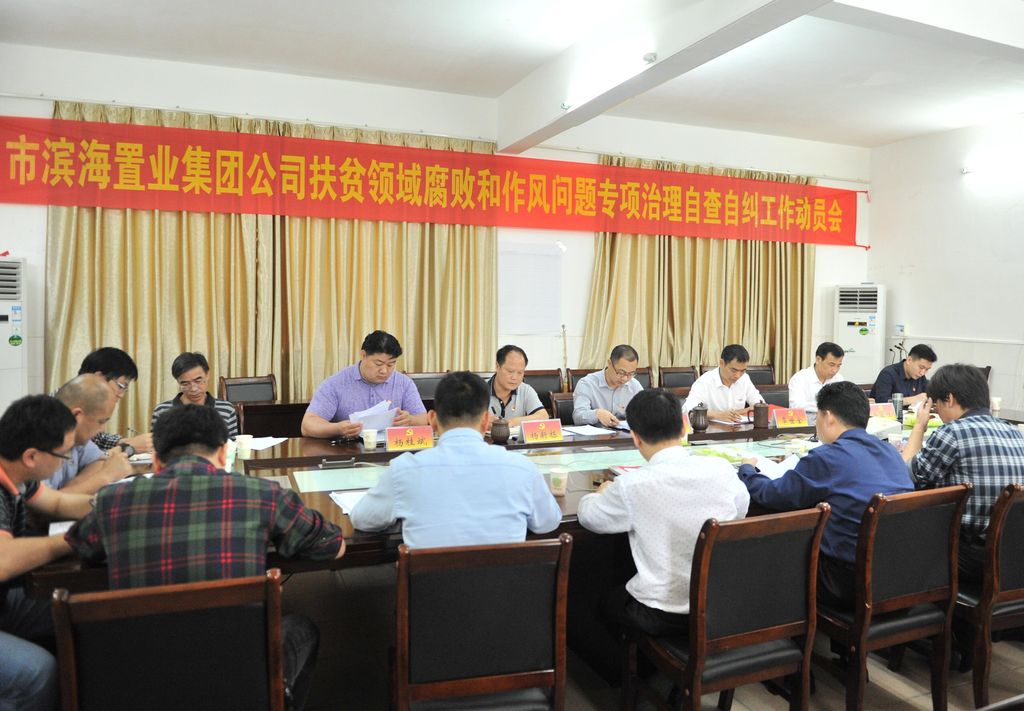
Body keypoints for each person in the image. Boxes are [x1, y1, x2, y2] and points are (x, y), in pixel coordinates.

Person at [66, 405, 345, 711]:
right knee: (302, 628)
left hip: (140, 679)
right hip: (238, 677)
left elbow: (80, 546)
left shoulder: (112, 501)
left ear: (156, 461)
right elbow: (332, 545)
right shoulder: (264, 495)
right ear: (224, 454)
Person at [576, 388, 749, 636]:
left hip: (662, 613)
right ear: (683, 428)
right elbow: (740, 511)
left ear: (635, 438)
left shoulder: (632, 485)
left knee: (599, 601)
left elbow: (589, 517)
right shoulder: (722, 469)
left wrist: (598, 494)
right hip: (719, 603)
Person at [737, 381, 912, 608]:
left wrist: (748, 471)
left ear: (828, 417)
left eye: (817, 416)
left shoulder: (827, 457)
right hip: (901, 578)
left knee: (775, 552)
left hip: (847, 584)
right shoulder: (890, 451)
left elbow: (774, 495)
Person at [349, 371, 562, 547]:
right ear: (486, 420)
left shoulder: (404, 470)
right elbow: (548, 522)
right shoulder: (522, 468)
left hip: (431, 587)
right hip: (507, 586)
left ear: (432, 420)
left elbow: (362, 519)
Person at [0, 395, 94, 711]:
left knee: (81, 612)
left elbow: (57, 503)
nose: (66, 461)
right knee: (38, 673)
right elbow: (3, 560)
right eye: (63, 454)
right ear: (31, 456)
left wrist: (112, 503)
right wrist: (72, 539)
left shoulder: (16, 473)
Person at [902, 363, 1024, 583]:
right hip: (1013, 556)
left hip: (973, 557)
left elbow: (907, 475)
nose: (937, 412)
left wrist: (919, 426)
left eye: (936, 405)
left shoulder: (952, 432)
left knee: (899, 539)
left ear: (949, 399)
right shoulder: (1014, 433)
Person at [302, 330, 428, 438]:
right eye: (378, 364)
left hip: (392, 450)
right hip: (349, 451)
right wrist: (338, 429)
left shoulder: (404, 383)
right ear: (363, 355)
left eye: (391, 364)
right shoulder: (336, 383)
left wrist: (410, 420)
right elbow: (308, 425)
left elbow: (423, 419)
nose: (384, 371)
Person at [48, 374, 133, 494]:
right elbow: (46, 503)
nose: (102, 430)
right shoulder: (37, 443)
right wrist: (106, 476)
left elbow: (99, 460)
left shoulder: (76, 438)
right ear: (77, 415)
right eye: (101, 422)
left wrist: (74, 486)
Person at [77, 346, 153, 454]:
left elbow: (99, 439)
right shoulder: (61, 409)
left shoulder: (89, 405)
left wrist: (131, 442)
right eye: (121, 386)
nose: (121, 395)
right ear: (99, 378)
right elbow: (86, 459)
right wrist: (129, 447)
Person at [151, 352, 239, 437]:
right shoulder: (162, 411)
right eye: (185, 383)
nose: (193, 389)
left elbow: (233, 444)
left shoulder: (227, 409)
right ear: (178, 381)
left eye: (198, 380)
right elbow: (155, 445)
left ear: (207, 375)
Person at [682, 344, 765, 422]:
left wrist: (733, 414)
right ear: (722, 363)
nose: (738, 376)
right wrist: (718, 415)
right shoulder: (705, 381)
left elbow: (761, 405)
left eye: (743, 371)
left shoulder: (744, 378)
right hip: (712, 431)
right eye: (733, 370)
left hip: (739, 430)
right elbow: (687, 410)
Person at [572, 344, 644, 427]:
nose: (625, 378)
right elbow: (577, 417)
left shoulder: (634, 385)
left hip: (625, 434)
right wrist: (597, 414)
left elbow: (646, 411)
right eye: (621, 372)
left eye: (631, 374)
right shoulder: (587, 383)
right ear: (609, 363)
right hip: (598, 434)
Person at [488, 345, 548, 426]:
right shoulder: (478, 390)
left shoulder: (525, 390)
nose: (514, 377)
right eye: (510, 371)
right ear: (497, 367)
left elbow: (543, 417)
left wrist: (512, 422)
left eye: (520, 373)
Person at [869, 343, 936, 405]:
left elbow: (929, 396)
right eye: (921, 367)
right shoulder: (888, 374)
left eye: (927, 369)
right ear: (909, 360)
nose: (923, 373)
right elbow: (881, 402)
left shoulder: (920, 377)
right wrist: (912, 399)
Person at [788, 342, 845, 411]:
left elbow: (843, 403)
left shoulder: (838, 379)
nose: (835, 370)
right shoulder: (799, 378)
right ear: (818, 359)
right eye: (831, 365)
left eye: (838, 365)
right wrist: (827, 406)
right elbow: (795, 406)